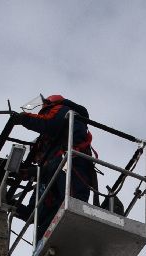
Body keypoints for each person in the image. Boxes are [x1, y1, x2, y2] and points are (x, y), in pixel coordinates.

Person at [12, 94, 97, 238]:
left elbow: (49, 123)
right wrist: (11, 204)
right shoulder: (45, 177)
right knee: (43, 230)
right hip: (56, 212)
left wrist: (24, 118)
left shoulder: (64, 111)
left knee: (69, 203)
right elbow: (33, 214)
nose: (37, 158)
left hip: (72, 169)